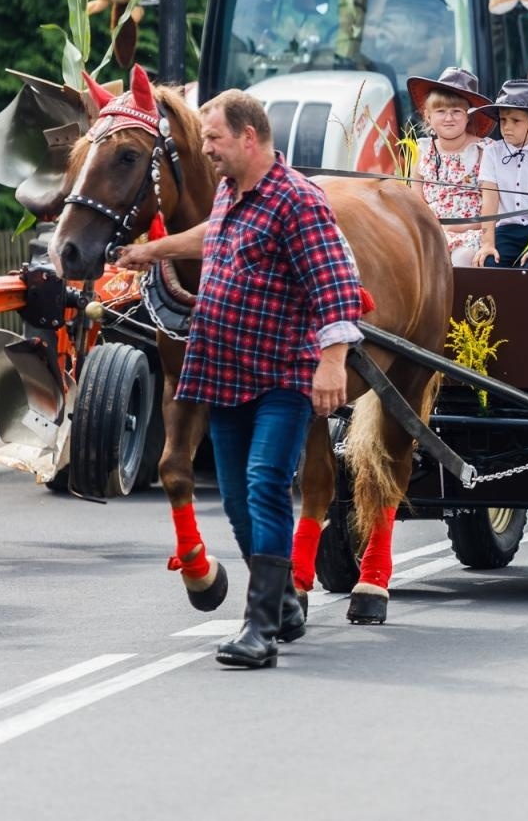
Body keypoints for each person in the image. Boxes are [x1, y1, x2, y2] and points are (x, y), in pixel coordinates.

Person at [169, 90, 363, 670]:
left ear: (248, 137)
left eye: (214, 138)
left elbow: (336, 283)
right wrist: (152, 250)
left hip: (282, 373)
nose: (206, 149)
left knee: (264, 484)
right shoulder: (230, 192)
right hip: (225, 371)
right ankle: (283, 603)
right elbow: (212, 236)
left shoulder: (297, 199)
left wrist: (332, 363)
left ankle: (260, 629)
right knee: (235, 500)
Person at [406, 67, 492, 267]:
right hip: (432, 230)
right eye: (441, 111)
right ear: (428, 116)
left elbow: (492, 201)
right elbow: (416, 198)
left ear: (468, 116)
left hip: (472, 231)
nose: (448, 118)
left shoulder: (483, 150)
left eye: (456, 112)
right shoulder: (423, 150)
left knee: (461, 259)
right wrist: (431, 227)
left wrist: (462, 227)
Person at [473, 80, 528, 268]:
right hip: (505, 231)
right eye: (503, 120)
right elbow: (489, 201)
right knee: (489, 263)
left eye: (515, 121)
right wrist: (488, 243)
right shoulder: (492, 152)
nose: (507, 127)